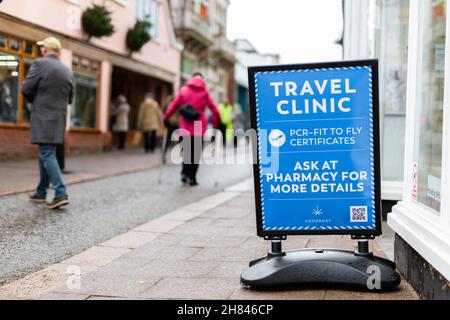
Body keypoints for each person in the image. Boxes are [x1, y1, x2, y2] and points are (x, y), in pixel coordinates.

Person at [21, 37, 74, 209]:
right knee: (46, 152)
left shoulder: (40, 64)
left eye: (41, 47)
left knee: (46, 154)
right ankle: (41, 192)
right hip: (58, 118)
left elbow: (26, 89)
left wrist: (35, 102)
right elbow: (70, 98)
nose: (41, 50)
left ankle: (60, 193)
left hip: (43, 116)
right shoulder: (67, 70)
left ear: (45, 49)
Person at [164, 73, 222, 186]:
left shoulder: (184, 90)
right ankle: (192, 177)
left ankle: (184, 173)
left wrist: (166, 117)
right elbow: (214, 108)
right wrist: (218, 121)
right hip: (198, 126)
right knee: (195, 153)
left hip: (185, 126)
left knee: (186, 152)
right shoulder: (204, 93)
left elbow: (173, 105)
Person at [161, 94, 179, 163]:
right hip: (178, 122)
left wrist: (165, 119)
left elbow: (164, 110)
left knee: (167, 139)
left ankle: (164, 154)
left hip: (169, 122)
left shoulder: (168, 100)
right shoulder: (180, 100)